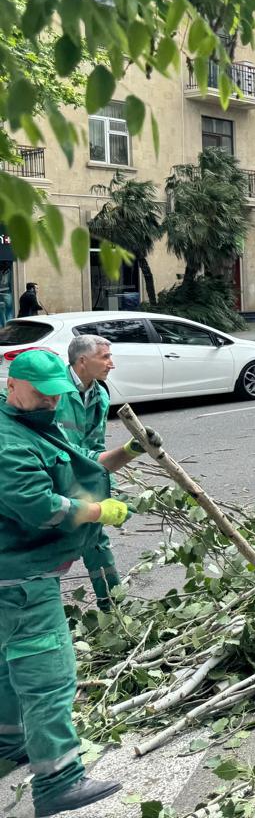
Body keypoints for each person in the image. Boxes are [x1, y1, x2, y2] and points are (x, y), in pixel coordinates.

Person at [0, 349, 161, 816]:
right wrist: (98, 510)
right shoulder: (9, 444)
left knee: (9, 669)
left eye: (57, 396)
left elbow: (80, 462)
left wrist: (128, 452)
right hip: (21, 577)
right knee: (47, 675)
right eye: (42, 395)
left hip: (14, 573)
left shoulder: (31, 423)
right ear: (13, 386)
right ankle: (59, 781)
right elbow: (42, 506)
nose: (51, 403)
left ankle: (11, 744)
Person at [53, 336, 120, 612]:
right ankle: (48, 613)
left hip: (81, 479)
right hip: (54, 482)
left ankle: (113, 609)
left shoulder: (100, 394)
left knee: (96, 542)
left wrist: (103, 481)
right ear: (83, 361)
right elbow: (61, 447)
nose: (111, 364)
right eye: (105, 357)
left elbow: (95, 444)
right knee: (52, 549)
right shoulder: (56, 391)